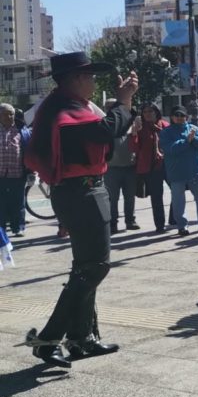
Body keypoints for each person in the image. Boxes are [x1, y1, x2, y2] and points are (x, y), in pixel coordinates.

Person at [19, 52, 137, 368]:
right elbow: (104, 131)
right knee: (95, 267)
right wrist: (123, 102)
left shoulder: (64, 106)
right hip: (82, 192)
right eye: (90, 76)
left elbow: (104, 129)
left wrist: (121, 106)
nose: (94, 81)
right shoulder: (65, 109)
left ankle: (82, 338)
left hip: (81, 191)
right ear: (77, 79)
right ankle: (49, 339)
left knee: (86, 267)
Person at [160, 106, 198, 237]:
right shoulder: (166, 132)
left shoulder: (193, 129)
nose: (179, 118)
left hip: (195, 171)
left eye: (182, 115)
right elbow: (171, 149)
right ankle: (182, 226)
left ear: (186, 117)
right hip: (177, 173)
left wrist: (193, 138)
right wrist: (187, 141)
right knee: (178, 201)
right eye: (176, 115)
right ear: (172, 117)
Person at [131, 103, 170, 232]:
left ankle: (173, 218)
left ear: (156, 112)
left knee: (179, 190)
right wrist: (134, 133)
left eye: (150, 111)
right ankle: (160, 225)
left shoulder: (164, 125)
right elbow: (133, 148)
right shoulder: (141, 128)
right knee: (157, 196)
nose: (147, 114)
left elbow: (172, 140)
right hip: (152, 167)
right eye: (145, 112)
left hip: (168, 164)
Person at [102, 99, 138, 234]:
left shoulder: (128, 123)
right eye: (108, 106)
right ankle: (113, 223)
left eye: (113, 106)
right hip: (111, 169)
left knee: (130, 197)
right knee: (112, 198)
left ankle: (130, 221)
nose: (110, 109)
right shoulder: (104, 125)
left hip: (130, 167)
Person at [0, 103, 31, 238]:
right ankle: (1, 230)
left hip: (17, 174)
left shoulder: (21, 130)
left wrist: (31, 172)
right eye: (6, 114)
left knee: (18, 203)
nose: (10, 117)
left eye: (11, 114)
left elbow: (29, 152)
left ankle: (18, 227)